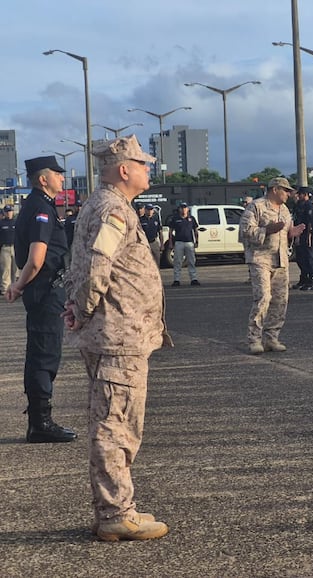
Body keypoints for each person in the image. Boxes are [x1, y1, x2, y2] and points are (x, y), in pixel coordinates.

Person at [62, 134, 171, 541]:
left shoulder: (107, 205)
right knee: (115, 425)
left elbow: (86, 267)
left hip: (117, 333)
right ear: (124, 170)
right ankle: (115, 513)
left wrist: (78, 307)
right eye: (142, 164)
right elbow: (96, 270)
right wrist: (83, 310)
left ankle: (116, 507)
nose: (148, 171)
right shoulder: (112, 209)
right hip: (118, 335)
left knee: (114, 420)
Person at [5, 157, 76, 442]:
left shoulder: (38, 204)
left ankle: (40, 420)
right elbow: (36, 259)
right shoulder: (40, 208)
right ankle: (40, 423)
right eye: (57, 174)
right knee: (44, 354)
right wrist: (19, 286)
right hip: (45, 290)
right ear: (43, 179)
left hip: (47, 289)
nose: (62, 178)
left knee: (43, 352)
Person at [239, 177, 305, 354]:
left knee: (280, 300)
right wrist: (267, 230)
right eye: (285, 190)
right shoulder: (256, 206)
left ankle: (272, 338)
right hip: (261, 259)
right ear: (275, 189)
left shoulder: (285, 210)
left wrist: (292, 233)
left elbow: (286, 233)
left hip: (281, 260)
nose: (288, 194)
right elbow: (244, 231)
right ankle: (254, 339)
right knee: (263, 298)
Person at [168, 203, 199, 286]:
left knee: (191, 261)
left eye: (185, 208)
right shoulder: (175, 219)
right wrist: (170, 242)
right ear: (179, 209)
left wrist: (197, 241)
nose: (183, 210)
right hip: (179, 242)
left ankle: (194, 279)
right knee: (177, 262)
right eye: (182, 208)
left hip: (189, 242)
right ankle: (176, 280)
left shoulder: (191, 219)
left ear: (188, 209)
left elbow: (195, 230)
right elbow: (170, 231)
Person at [0, 205, 18, 294]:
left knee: (15, 270)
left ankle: (15, 288)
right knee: (5, 270)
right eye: (7, 212)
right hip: (5, 248)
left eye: (10, 211)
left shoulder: (16, 222)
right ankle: (5, 289)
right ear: (4, 213)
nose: (9, 213)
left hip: (15, 247)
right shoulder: (1, 223)